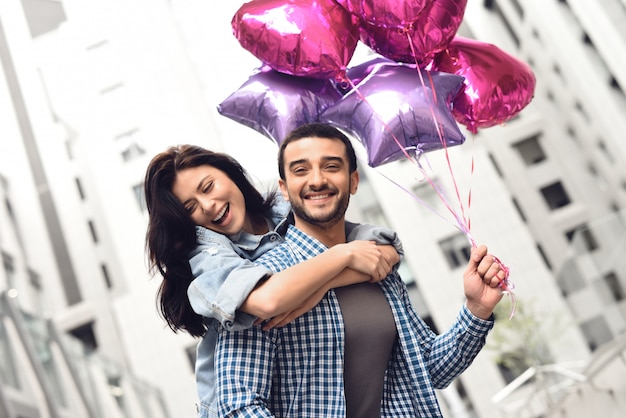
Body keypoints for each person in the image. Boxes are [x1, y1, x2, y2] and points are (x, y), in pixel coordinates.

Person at [214, 123, 507, 417]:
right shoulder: (265, 281)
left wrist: (476, 308)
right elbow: (237, 404)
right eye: (300, 170)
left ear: (353, 181)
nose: (317, 180)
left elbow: (428, 368)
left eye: (331, 166)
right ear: (284, 189)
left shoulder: (377, 264)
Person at [143, 144, 402, 418]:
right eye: (190, 207)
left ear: (230, 174)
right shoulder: (208, 252)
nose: (208, 206)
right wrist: (341, 256)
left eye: (208, 187)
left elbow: (384, 251)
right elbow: (268, 300)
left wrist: (324, 283)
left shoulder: (284, 206)